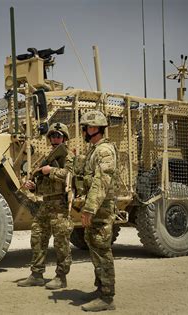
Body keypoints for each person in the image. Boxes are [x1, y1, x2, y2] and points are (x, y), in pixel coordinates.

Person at [17, 122, 74, 290]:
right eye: (53, 136)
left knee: (61, 241)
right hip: (46, 202)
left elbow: (72, 176)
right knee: (37, 236)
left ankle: (61, 277)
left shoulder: (68, 156)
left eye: (59, 136)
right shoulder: (46, 157)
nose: (55, 139)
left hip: (60, 203)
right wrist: (33, 185)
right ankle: (36, 274)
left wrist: (51, 171)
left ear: (64, 138)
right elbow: (41, 182)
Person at [78, 110, 118, 312]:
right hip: (96, 209)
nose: (83, 131)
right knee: (94, 245)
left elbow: (101, 182)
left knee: (102, 249)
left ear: (93, 129)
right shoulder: (94, 150)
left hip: (101, 210)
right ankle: (100, 287)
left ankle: (107, 297)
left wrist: (89, 209)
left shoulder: (103, 151)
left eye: (85, 128)